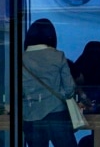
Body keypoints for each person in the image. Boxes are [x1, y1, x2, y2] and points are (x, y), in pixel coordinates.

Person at [22, 19, 77, 147]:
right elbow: (69, 89)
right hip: (57, 114)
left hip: (31, 115)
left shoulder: (21, 58)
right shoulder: (58, 56)